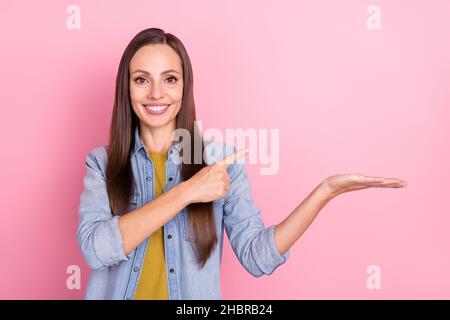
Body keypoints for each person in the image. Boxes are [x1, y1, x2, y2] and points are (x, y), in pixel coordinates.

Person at [77, 27, 408, 300]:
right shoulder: (102, 164)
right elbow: (95, 250)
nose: (156, 93)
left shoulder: (222, 163)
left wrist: (325, 191)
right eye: (141, 79)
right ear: (127, 87)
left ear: (184, 86)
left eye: (169, 79)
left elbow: (257, 257)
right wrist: (188, 191)